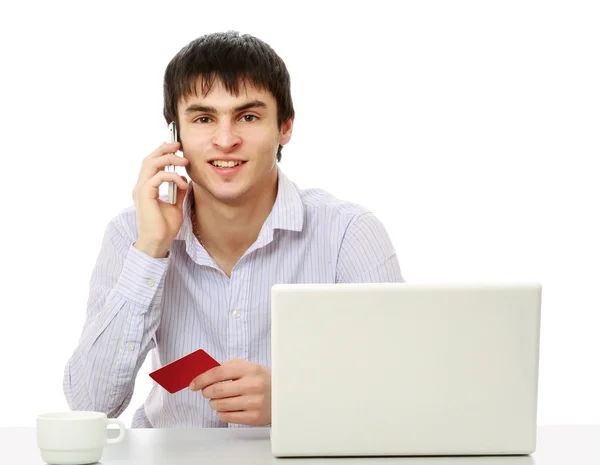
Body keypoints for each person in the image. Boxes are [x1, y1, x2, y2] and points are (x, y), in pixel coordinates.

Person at [63, 30, 404, 428]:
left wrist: (295, 400)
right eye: (204, 118)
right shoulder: (132, 233)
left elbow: (403, 391)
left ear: (285, 128)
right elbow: (90, 404)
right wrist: (151, 247)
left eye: (248, 116)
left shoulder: (349, 234)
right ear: (176, 134)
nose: (226, 140)